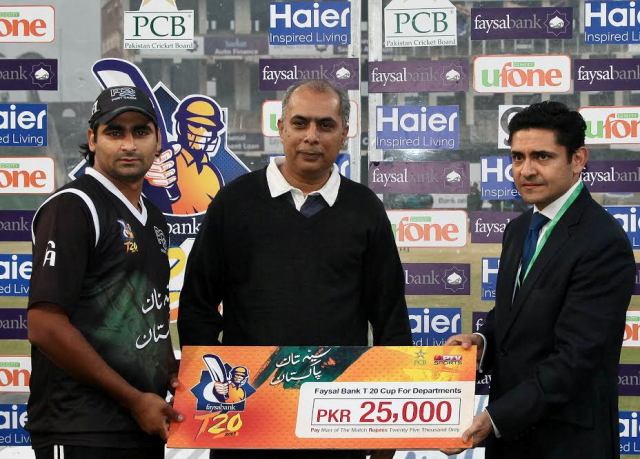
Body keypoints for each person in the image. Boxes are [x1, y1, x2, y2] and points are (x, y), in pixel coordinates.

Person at [178, 79, 412, 459]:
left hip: (338, 417)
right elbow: (197, 306)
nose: (311, 137)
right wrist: (218, 389)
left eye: (325, 125)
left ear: (345, 133)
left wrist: (390, 425)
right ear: (281, 127)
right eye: (300, 123)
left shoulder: (364, 207)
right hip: (248, 419)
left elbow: (390, 318)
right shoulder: (234, 202)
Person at [443, 101, 635, 459]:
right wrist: (483, 340)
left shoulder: (603, 242)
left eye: (542, 157)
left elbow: (575, 359)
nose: (525, 170)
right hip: (510, 441)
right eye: (517, 157)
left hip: (567, 444)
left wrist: (495, 418)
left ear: (578, 160)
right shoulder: (518, 229)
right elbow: (515, 313)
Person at [27, 86, 183, 459]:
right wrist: (133, 400)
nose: (129, 144)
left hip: (142, 425)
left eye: (140, 132)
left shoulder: (155, 218)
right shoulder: (74, 207)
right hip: (82, 428)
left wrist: (171, 373)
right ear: (92, 140)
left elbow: (140, 320)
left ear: (157, 141)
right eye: (115, 132)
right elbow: (44, 325)